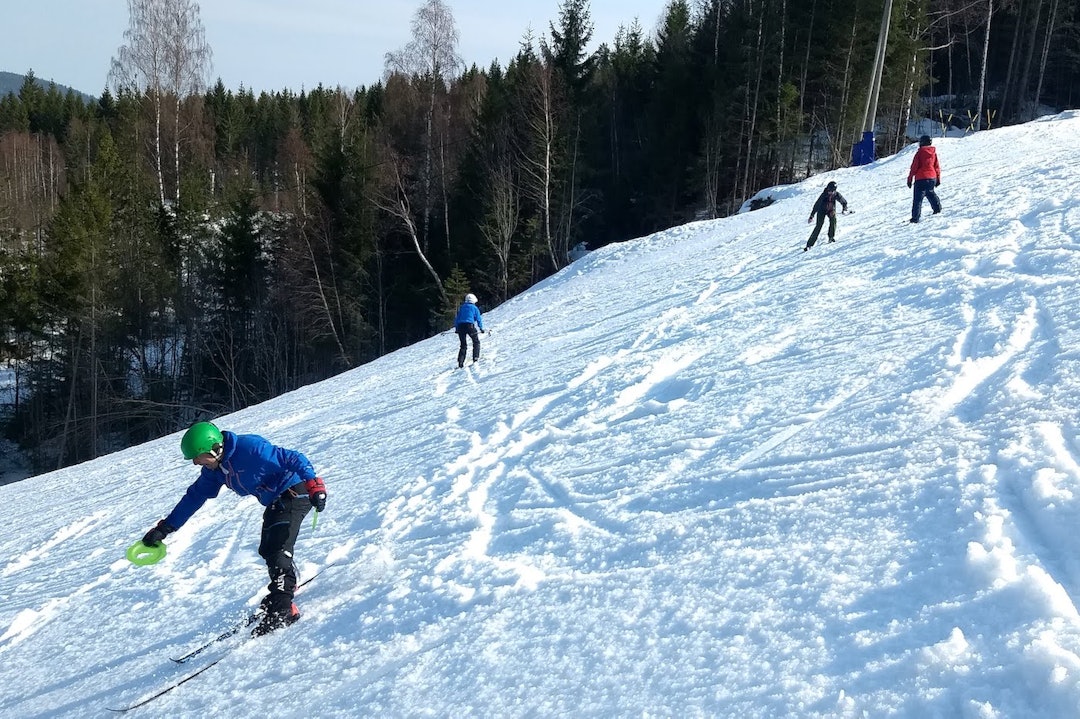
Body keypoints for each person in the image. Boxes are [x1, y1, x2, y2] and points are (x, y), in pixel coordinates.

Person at [138, 421, 328, 637]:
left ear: (213, 449)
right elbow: (194, 497)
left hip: (295, 491)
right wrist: (165, 528)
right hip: (276, 499)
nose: (195, 463)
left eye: (197, 457)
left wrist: (315, 484)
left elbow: (292, 458)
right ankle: (282, 587)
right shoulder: (215, 470)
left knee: (278, 548)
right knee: (267, 549)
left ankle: (283, 608)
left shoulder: (251, 448)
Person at [804, 181, 849, 251]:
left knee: (833, 220)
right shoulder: (823, 195)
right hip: (821, 210)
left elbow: (844, 202)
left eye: (832, 191)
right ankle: (809, 244)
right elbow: (817, 205)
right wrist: (812, 215)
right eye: (829, 190)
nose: (830, 192)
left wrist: (844, 209)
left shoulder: (836, 194)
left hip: (831, 210)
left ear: (834, 191)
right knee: (819, 225)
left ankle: (831, 237)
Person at [907, 134, 942, 223]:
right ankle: (937, 209)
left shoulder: (919, 153)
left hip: (921, 178)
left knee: (918, 199)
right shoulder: (933, 153)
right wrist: (938, 178)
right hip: (932, 178)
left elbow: (914, 167)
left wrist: (910, 179)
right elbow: (936, 166)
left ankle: (915, 218)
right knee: (930, 193)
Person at [454, 293, 485, 368]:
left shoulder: (462, 307)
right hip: (470, 326)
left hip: (461, 327)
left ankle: (460, 362)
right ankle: (475, 358)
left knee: (463, 345)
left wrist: (457, 328)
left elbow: (457, 319)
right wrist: (481, 328)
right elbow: (478, 319)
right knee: (476, 342)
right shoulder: (474, 308)